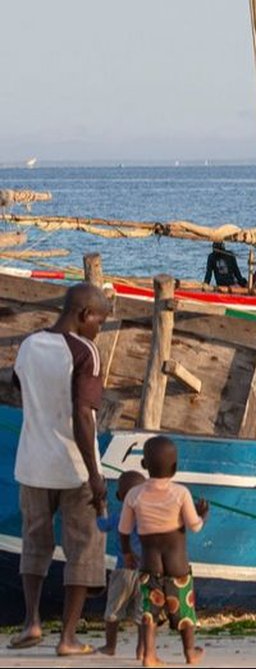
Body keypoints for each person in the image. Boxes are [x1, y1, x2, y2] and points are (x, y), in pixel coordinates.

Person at [10, 282, 111, 655]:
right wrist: (95, 475)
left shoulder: (30, 345)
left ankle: (31, 621)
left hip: (32, 462)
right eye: (99, 321)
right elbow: (83, 415)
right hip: (74, 467)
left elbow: (20, 386)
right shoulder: (86, 351)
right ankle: (67, 637)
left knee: (34, 542)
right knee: (84, 547)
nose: (99, 328)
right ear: (85, 315)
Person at [119, 435, 208, 667]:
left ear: (145, 466)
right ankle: (190, 652)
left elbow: (124, 530)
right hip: (177, 567)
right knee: (185, 612)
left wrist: (127, 553)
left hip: (149, 564)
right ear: (175, 467)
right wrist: (202, 515)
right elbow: (195, 526)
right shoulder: (180, 493)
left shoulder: (134, 495)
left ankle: (149, 654)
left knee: (149, 611)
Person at [97, 470, 146, 657]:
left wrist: (100, 507)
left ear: (119, 496)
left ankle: (110, 646)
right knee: (142, 614)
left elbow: (101, 525)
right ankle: (142, 649)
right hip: (144, 572)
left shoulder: (119, 517)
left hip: (122, 571)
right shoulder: (148, 518)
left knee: (113, 611)